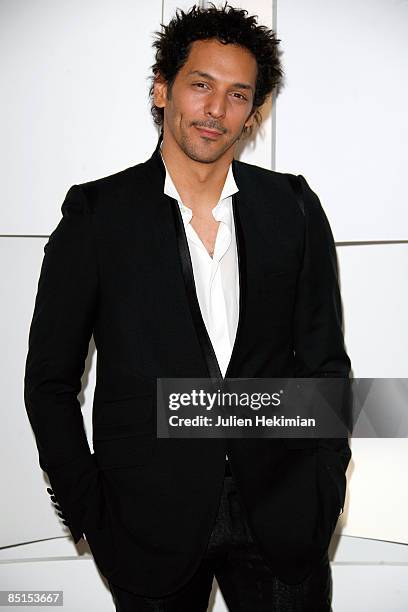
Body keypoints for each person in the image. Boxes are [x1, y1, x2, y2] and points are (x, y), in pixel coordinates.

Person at [24, 3, 351, 611]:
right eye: (201, 85)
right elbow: (49, 383)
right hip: (146, 520)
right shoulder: (98, 216)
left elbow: (325, 364)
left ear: (253, 112)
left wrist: (324, 487)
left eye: (237, 95)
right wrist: (93, 510)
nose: (216, 109)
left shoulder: (294, 207)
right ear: (162, 90)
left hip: (281, 516)